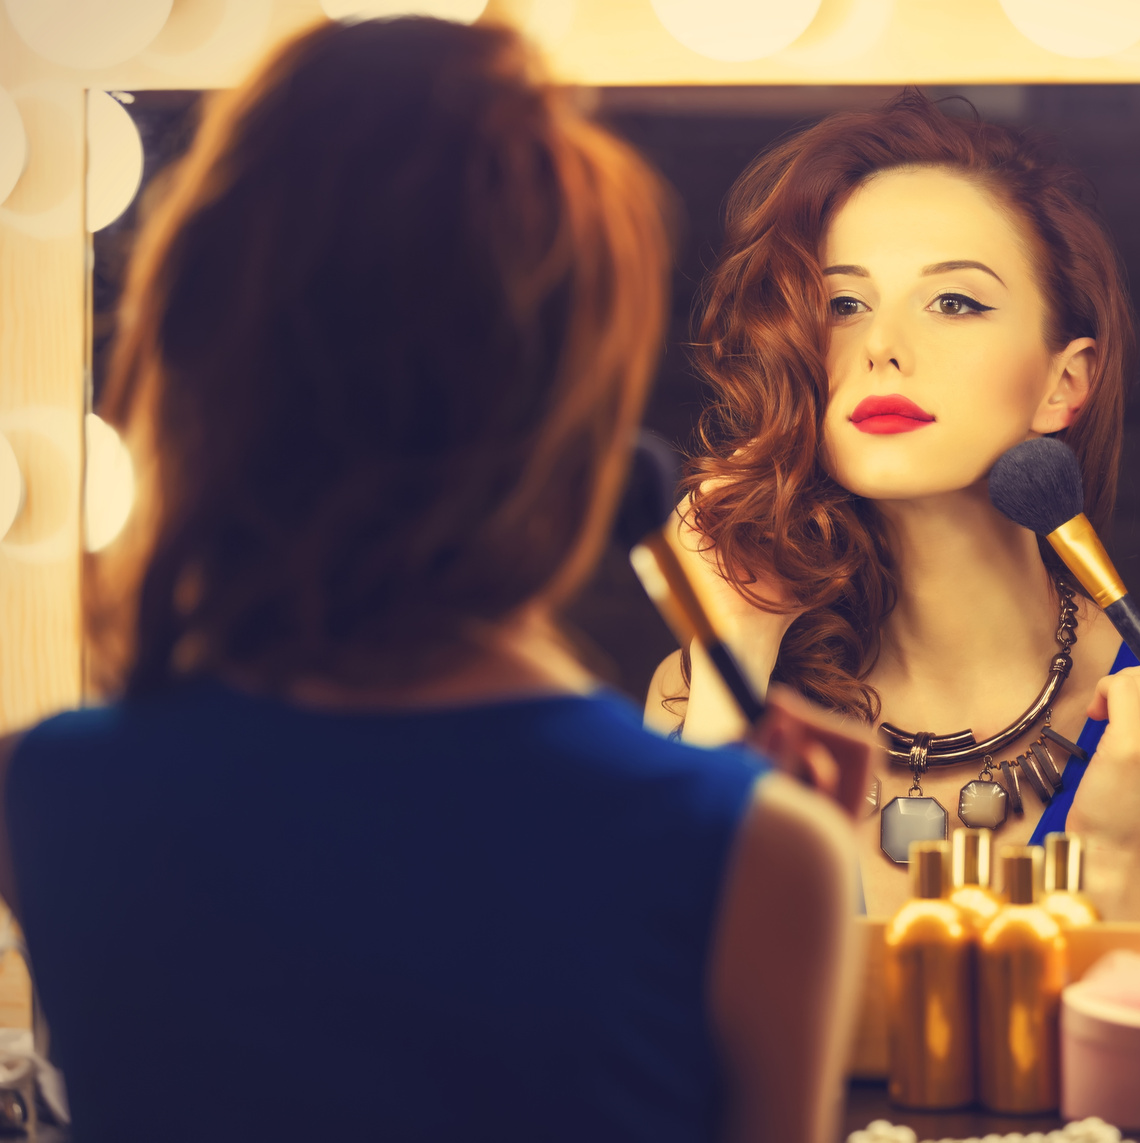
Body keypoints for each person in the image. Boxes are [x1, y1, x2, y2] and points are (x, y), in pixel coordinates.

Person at [0, 18, 864, 1143]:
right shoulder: (761, 856)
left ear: (198, 358)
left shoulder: (43, 795)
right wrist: (771, 863)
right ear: (578, 415)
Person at [649, 91, 1140, 920]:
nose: (882, 345)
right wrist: (731, 648)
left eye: (954, 301)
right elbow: (668, 1024)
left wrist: (1110, 855)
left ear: (1064, 383)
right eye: (843, 304)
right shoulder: (698, 693)